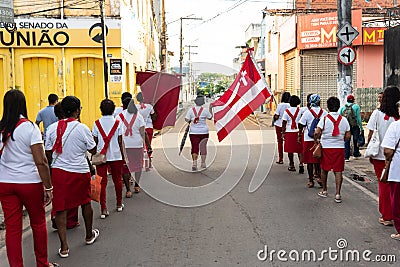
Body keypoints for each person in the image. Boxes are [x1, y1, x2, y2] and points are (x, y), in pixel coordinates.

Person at [0, 89, 58, 267]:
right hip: (29, 183)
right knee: (38, 223)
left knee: (12, 229)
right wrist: (48, 187)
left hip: (5, 184)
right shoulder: (30, 127)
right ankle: (42, 263)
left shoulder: (1, 128)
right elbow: (41, 161)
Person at [45, 96, 99, 258]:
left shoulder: (52, 128)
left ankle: (64, 247)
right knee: (85, 203)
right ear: (77, 111)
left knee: (60, 208)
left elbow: (48, 153)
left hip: (59, 173)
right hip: (80, 172)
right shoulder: (82, 128)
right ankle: (89, 235)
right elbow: (94, 150)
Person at [366, 86, 400, 226]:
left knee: (384, 184)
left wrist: (369, 148)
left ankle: (387, 216)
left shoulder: (377, 114)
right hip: (396, 156)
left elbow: (370, 133)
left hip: (380, 155)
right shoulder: (397, 116)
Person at [46, 103, 79, 230]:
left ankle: (56, 215)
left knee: (58, 195)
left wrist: (50, 163)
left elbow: (47, 150)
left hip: (56, 166)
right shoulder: (76, 127)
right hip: (73, 166)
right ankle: (71, 221)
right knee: (73, 196)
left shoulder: (50, 128)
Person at [92, 99, 125, 219]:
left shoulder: (96, 123)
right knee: (118, 180)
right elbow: (120, 141)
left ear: (101, 110)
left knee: (102, 183)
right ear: (113, 110)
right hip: (116, 155)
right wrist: (124, 156)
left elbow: (94, 142)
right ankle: (119, 203)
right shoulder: (118, 123)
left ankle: (103, 209)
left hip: (101, 156)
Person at [315, 96, 351, 203]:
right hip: (339, 148)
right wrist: (340, 139)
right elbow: (348, 135)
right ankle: (338, 194)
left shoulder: (325, 119)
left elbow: (317, 132)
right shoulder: (344, 120)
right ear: (339, 106)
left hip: (326, 147)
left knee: (324, 169)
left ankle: (324, 190)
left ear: (328, 107)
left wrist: (317, 140)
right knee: (338, 171)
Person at [118, 98, 150, 193]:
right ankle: (137, 185)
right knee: (138, 166)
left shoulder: (119, 117)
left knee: (125, 168)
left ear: (123, 105)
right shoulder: (138, 116)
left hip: (124, 146)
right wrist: (149, 146)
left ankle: (128, 190)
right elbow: (143, 132)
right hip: (137, 145)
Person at [299, 94, 327, 188]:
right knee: (319, 159)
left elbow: (301, 124)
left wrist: (299, 134)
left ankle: (311, 180)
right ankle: (318, 176)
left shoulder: (307, 113)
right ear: (319, 102)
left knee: (309, 161)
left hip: (308, 139)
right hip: (320, 139)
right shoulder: (324, 112)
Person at [381, 100, 400, 241]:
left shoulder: (396, 126)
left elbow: (387, 150)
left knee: (397, 201)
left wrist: (387, 160)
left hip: (397, 170)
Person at [185, 95, 213, 171]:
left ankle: (194, 163)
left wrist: (192, 120)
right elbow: (210, 117)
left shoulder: (191, 110)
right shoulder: (205, 110)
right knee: (203, 147)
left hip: (193, 132)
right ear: (203, 103)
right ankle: (203, 163)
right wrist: (210, 108)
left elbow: (187, 119)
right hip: (204, 131)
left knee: (194, 147)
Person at [281, 95, 303, 173]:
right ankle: (301, 163)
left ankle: (292, 164)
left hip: (289, 132)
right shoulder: (300, 111)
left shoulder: (287, 111)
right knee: (299, 149)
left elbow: (284, 122)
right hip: (298, 132)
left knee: (290, 150)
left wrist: (283, 132)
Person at [339, 94, 363, 161]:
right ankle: (356, 154)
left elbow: (340, 117)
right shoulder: (356, 106)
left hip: (346, 126)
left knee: (347, 141)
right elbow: (358, 118)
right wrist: (361, 127)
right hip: (354, 126)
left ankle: (346, 157)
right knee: (355, 140)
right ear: (353, 100)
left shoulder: (343, 107)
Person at [136, 92, 155, 167]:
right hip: (149, 127)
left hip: (139, 128)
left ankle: (142, 161)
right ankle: (148, 160)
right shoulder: (149, 107)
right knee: (148, 144)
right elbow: (154, 117)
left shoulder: (135, 107)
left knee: (141, 145)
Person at [273, 92, 291, 164]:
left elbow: (277, 116)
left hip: (279, 125)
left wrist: (274, 117)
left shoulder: (280, 105)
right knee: (289, 142)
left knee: (280, 142)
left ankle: (281, 158)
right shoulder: (290, 106)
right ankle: (291, 161)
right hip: (288, 126)